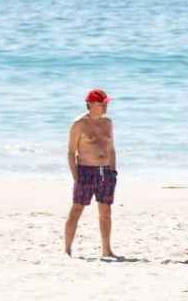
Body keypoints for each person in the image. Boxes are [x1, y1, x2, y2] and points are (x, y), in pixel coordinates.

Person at [64, 88, 118, 258]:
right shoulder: (79, 124)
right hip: (85, 171)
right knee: (77, 209)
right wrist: (76, 177)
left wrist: (113, 170)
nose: (106, 106)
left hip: (105, 171)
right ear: (92, 104)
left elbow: (111, 148)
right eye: (103, 103)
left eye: (106, 103)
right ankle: (67, 249)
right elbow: (71, 152)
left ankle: (106, 250)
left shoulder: (108, 123)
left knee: (106, 212)